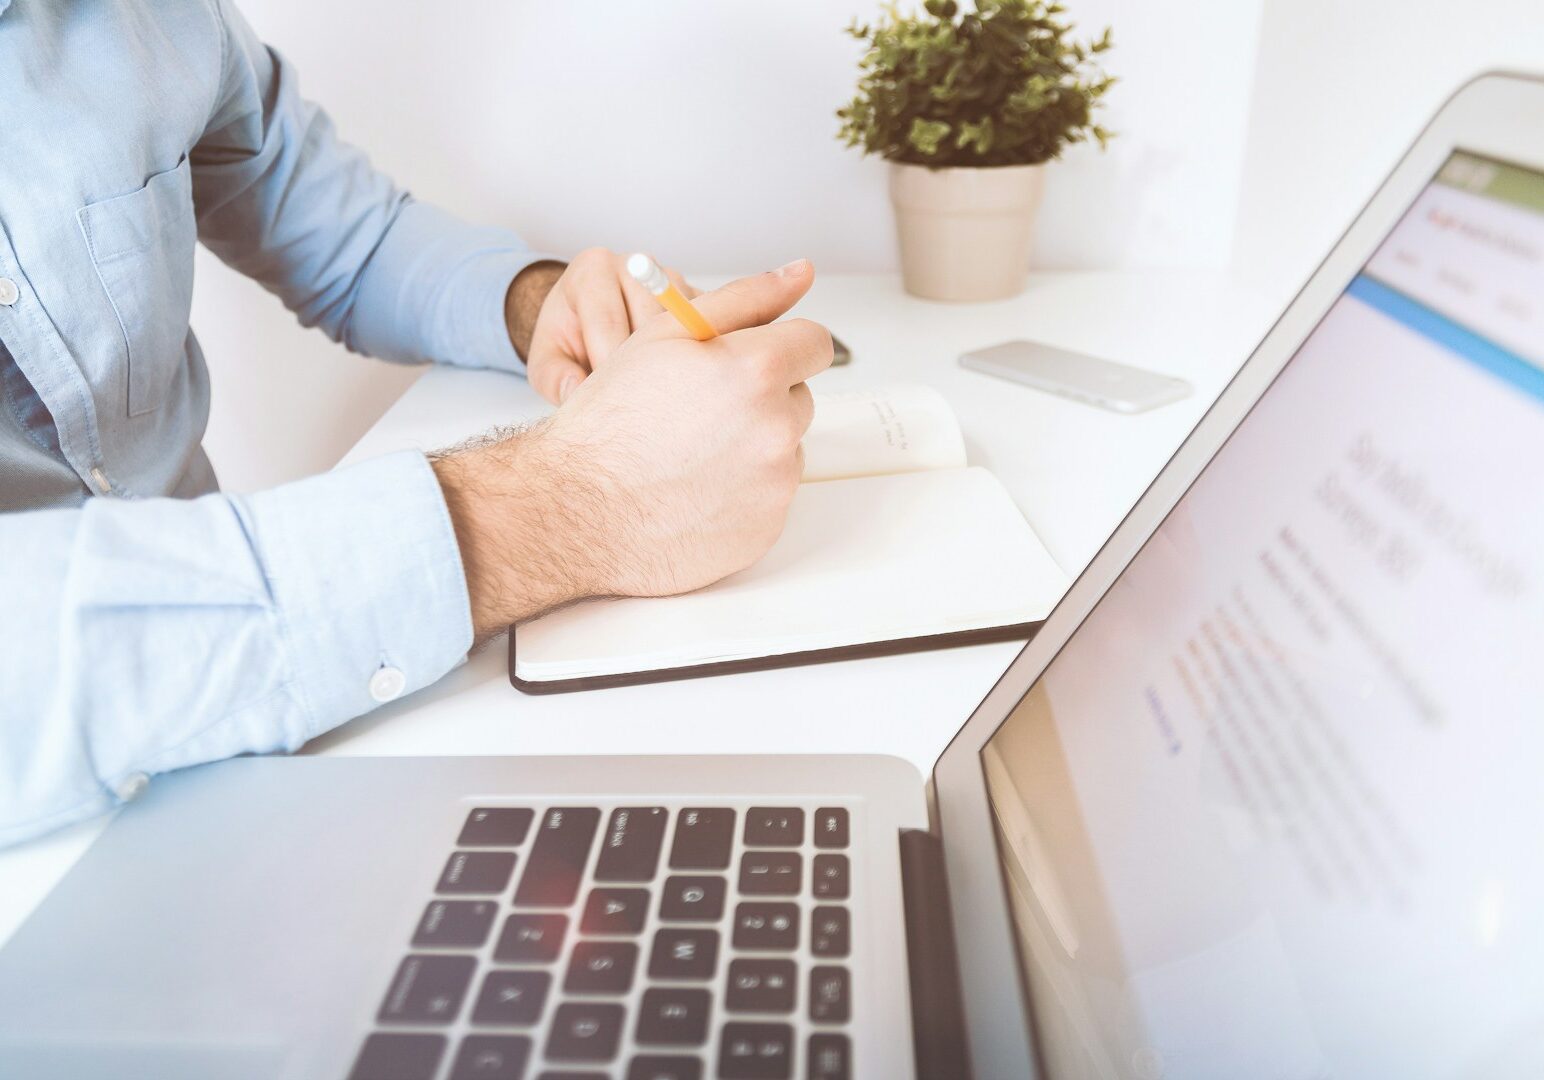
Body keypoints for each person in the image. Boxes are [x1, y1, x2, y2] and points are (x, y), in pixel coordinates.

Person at [0, 0, 832, 846]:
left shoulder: (158, 19)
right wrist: (579, 498)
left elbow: (349, 241)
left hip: (262, 747)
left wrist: (538, 306)